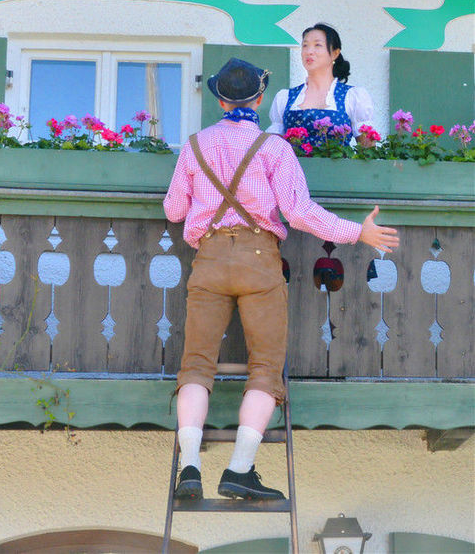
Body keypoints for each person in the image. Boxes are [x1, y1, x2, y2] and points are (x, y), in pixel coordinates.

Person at [163, 58, 399, 501]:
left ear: (220, 101)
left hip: (209, 259)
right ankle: (239, 469)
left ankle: (189, 466)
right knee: (266, 368)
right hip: (259, 261)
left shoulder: (194, 146)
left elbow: (174, 210)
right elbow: (300, 213)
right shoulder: (275, 149)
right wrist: (358, 232)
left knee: (196, 364)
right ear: (257, 100)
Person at [267, 23, 375, 147]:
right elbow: (272, 149)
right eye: (305, 45)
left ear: (335, 53)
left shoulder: (352, 97)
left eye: (317, 45)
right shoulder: (285, 97)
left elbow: (368, 151)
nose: (309, 51)